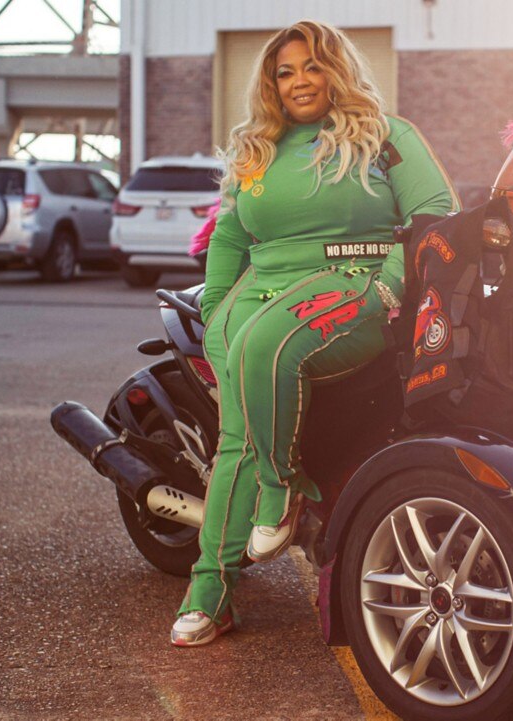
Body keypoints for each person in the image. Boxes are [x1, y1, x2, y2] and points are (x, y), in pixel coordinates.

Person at [171, 20, 459, 647]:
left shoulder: (386, 136)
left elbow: (435, 218)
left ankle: (280, 490)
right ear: (270, 83)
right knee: (237, 437)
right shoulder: (256, 149)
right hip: (257, 293)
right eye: (285, 71)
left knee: (264, 351)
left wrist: (388, 286)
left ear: (337, 69)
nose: (299, 81)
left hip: (354, 283)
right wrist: (215, 310)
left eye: (312, 66)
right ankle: (211, 588)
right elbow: (230, 235)